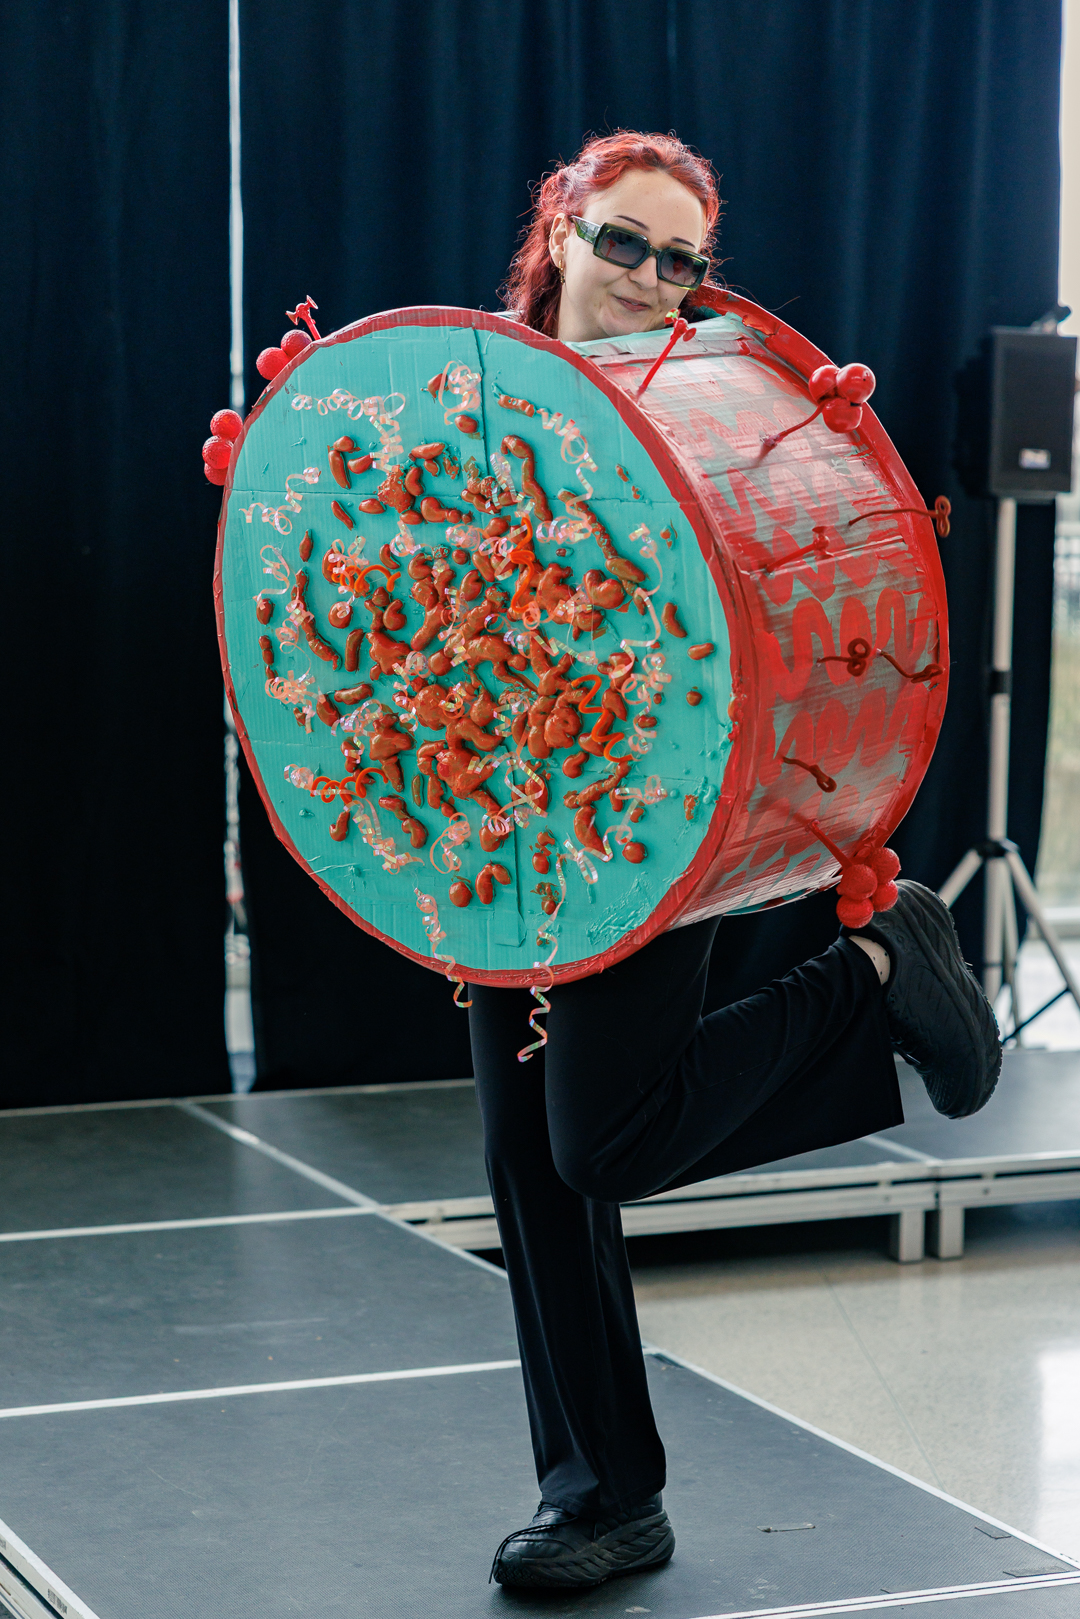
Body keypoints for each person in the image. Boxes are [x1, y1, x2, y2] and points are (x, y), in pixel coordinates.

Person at [470, 131, 1001, 1591]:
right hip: (502, 819)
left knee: (601, 1142)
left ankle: (880, 974)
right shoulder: (472, 387)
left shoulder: (706, 406)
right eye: (623, 242)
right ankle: (603, 1497)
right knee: (532, 1168)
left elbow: (778, 596)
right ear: (562, 229)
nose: (648, 280)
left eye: (680, 260)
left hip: (656, 807)